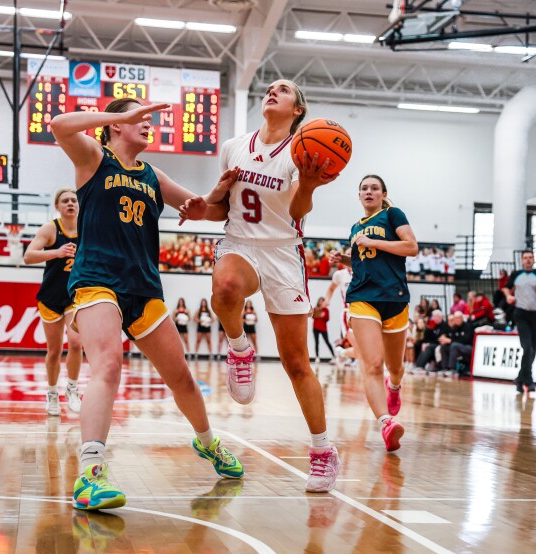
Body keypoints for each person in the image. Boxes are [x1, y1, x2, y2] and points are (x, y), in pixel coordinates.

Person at [50, 98, 243, 511]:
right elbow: (60, 123)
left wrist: (209, 198)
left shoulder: (154, 175)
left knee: (182, 379)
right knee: (107, 364)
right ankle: (90, 475)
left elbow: (204, 210)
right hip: (97, 279)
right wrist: (120, 114)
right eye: (141, 118)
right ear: (117, 125)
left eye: (148, 120)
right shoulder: (94, 158)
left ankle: (208, 443)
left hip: (144, 287)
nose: (148, 125)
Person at [179, 78, 340, 492]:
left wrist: (306, 183)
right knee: (227, 288)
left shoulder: (303, 151)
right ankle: (239, 348)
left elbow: (298, 213)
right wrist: (202, 211)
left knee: (296, 363)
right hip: (240, 243)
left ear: (298, 110)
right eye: (270, 88)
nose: (273, 91)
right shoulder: (234, 146)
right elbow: (223, 210)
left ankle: (323, 450)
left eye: (283, 90)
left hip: (284, 251)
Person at [332, 174, 417, 452]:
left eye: (374, 188)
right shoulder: (356, 228)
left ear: (383, 194)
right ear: (358, 196)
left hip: (394, 297)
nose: (369, 192)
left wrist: (375, 243)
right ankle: (386, 423)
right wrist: (344, 259)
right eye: (364, 189)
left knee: (395, 367)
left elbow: (411, 247)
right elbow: (363, 263)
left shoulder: (392, 214)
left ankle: (394, 386)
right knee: (371, 364)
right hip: (362, 297)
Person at [23, 188, 83, 416]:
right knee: (54, 350)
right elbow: (29, 256)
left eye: (74, 200)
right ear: (57, 207)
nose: (70, 204)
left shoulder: (87, 228)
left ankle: (73, 388)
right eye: (65, 201)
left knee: (76, 343)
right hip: (50, 296)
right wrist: (56, 252)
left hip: (75, 295)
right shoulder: (50, 228)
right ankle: (51, 392)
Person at [502, 249, 536, 393]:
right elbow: (506, 288)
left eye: (531, 257)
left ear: (534, 260)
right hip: (521, 314)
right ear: (522, 260)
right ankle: (529, 381)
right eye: (525, 258)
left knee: (534, 350)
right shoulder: (516, 275)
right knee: (527, 347)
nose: (528, 260)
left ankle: (519, 379)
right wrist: (508, 296)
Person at [311, 297, 335, 363]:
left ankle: (334, 357)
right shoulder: (315, 308)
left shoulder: (326, 310)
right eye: (320, 301)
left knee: (327, 342)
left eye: (322, 301)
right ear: (318, 302)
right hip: (315, 327)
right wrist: (319, 315)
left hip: (323, 328)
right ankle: (317, 357)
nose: (321, 302)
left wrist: (321, 316)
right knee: (316, 342)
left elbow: (327, 318)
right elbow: (312, 316)